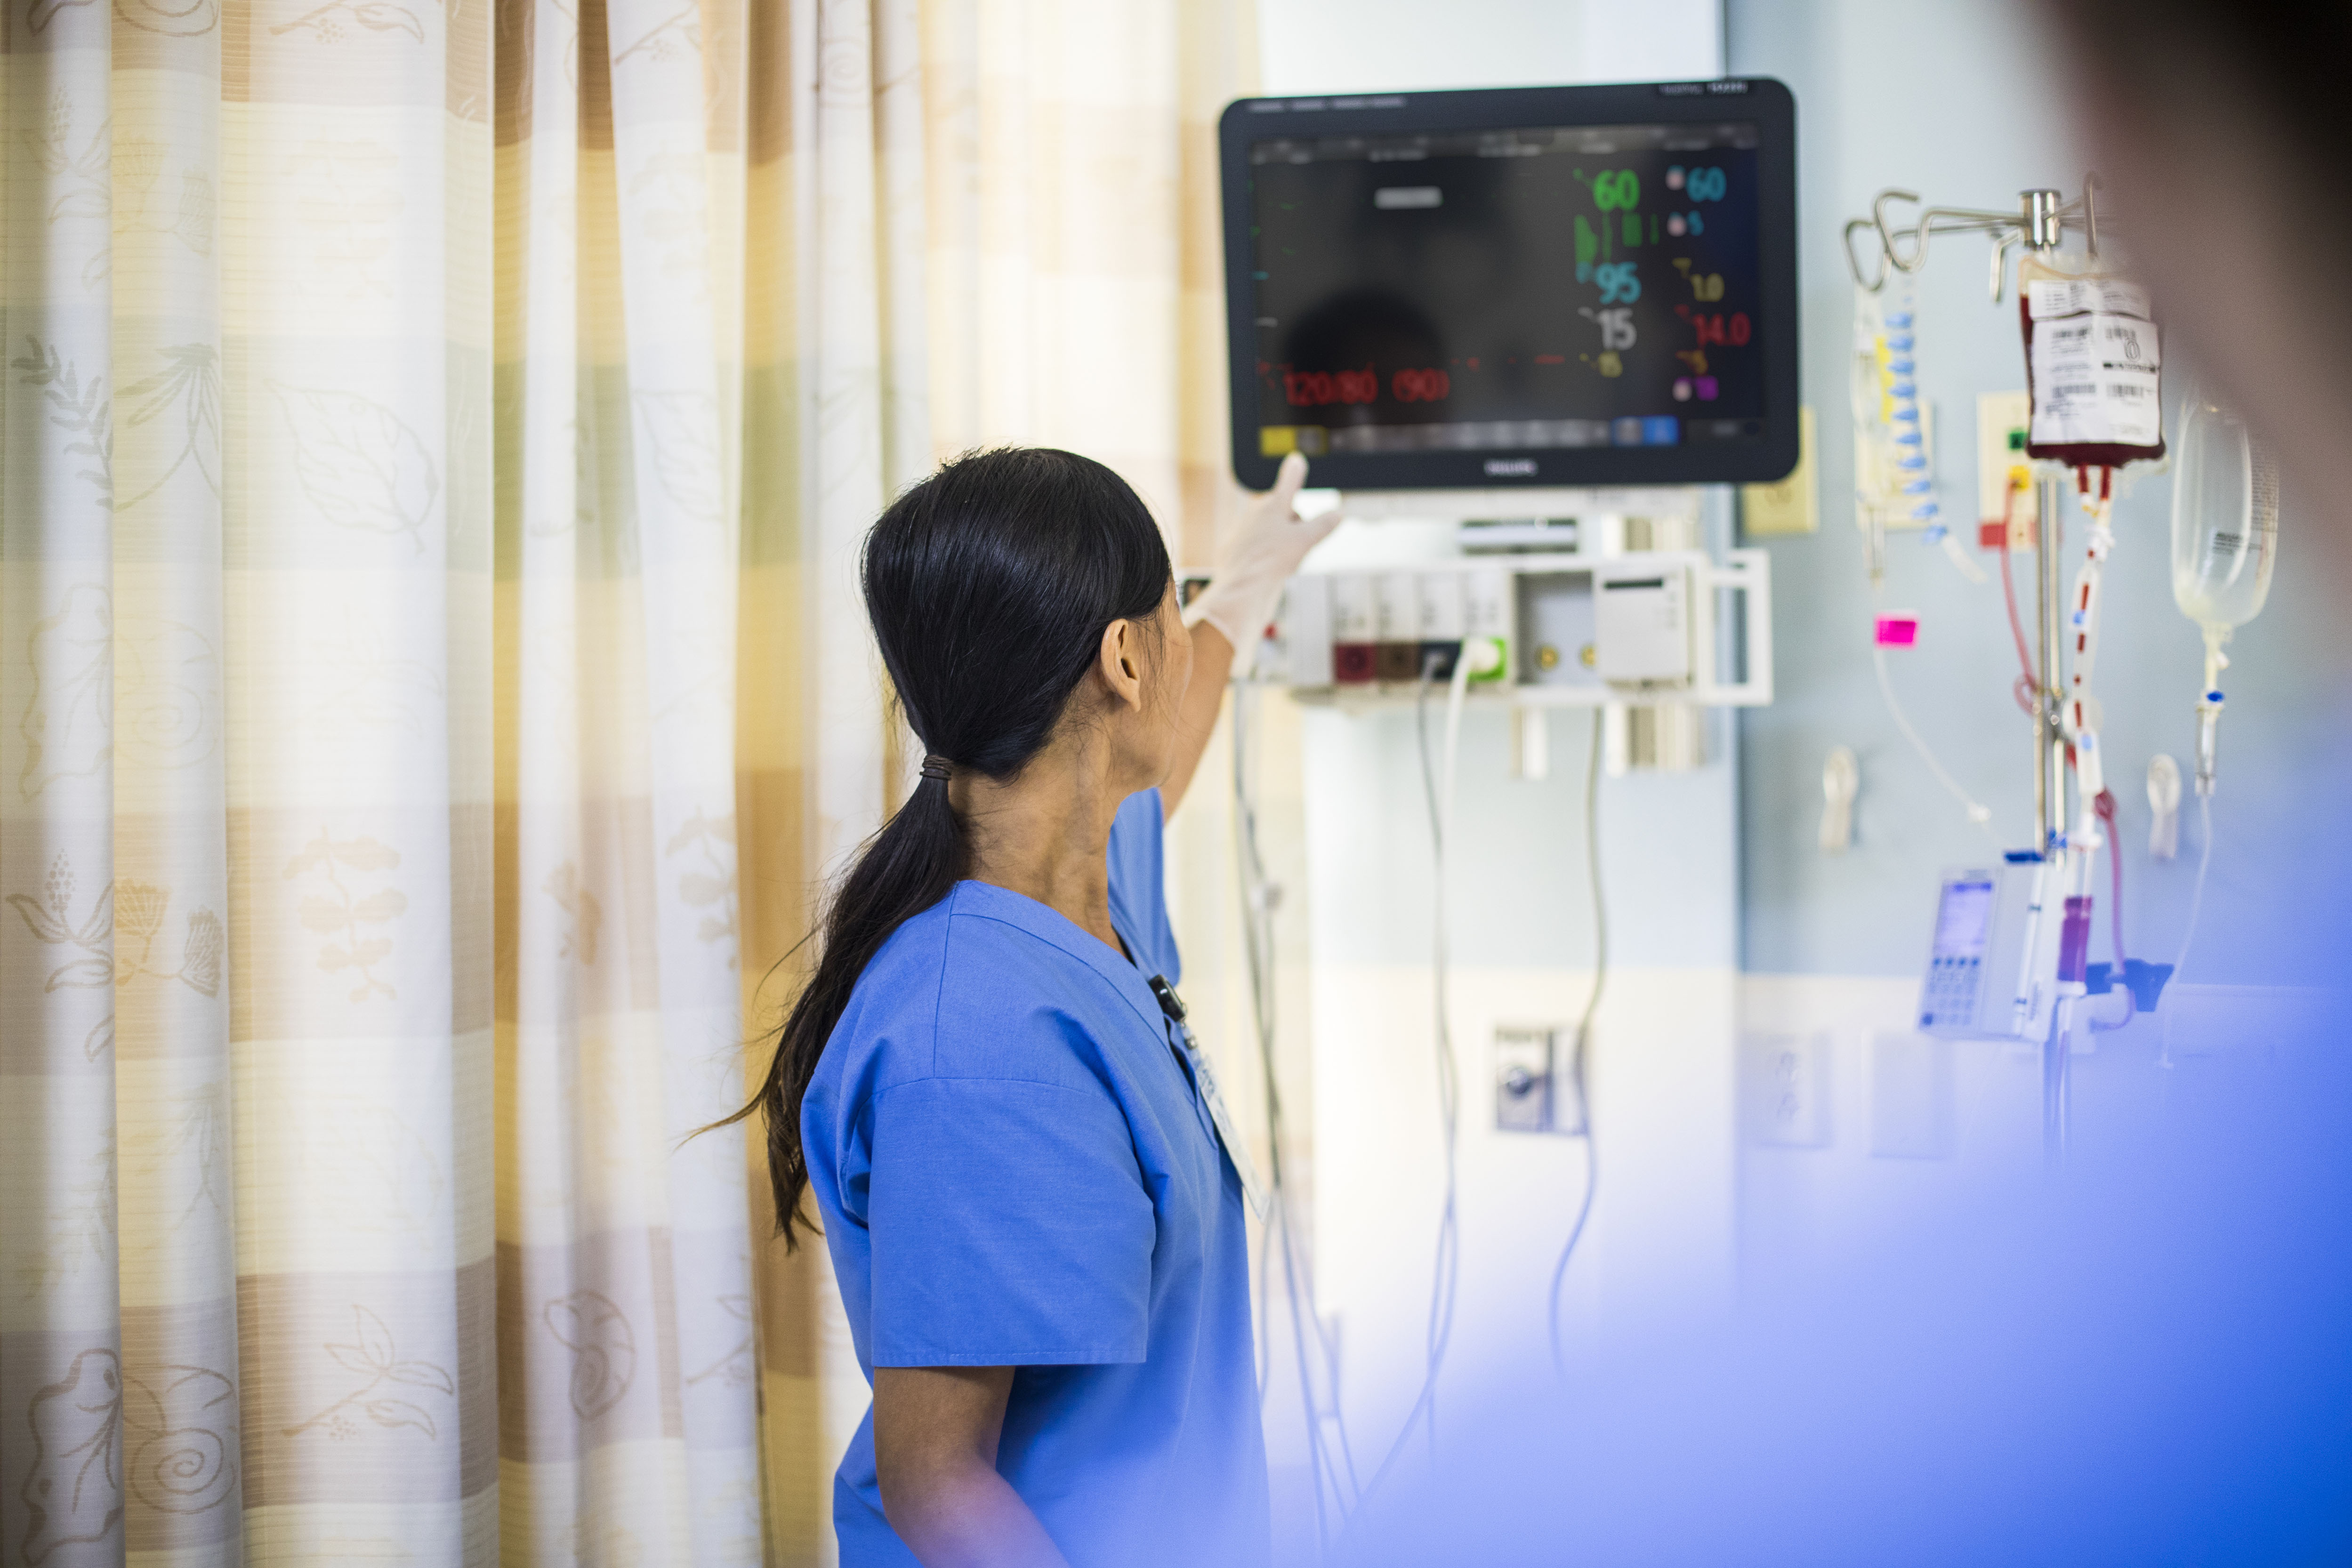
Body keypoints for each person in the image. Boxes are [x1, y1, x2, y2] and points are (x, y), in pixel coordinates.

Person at [736, 446, 1333, 1567]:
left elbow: (1172, 727)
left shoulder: (1077, 899)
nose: (1179, 637)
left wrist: (1240, 595)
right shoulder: (980, 1041)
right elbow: (938, 1489)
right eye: (1170, 611)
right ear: (1121, 658)